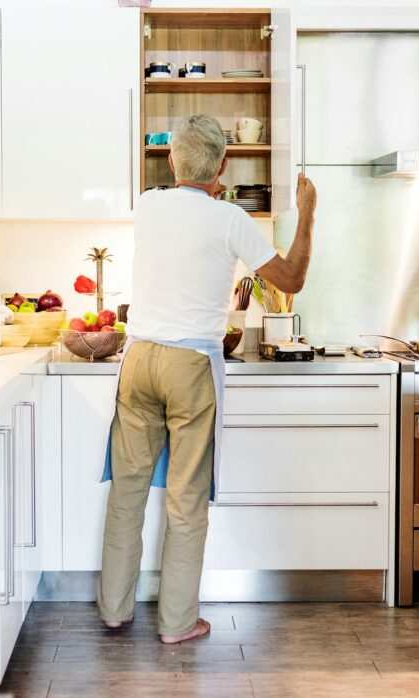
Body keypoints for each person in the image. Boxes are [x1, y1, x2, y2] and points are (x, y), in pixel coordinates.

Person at [96, 114, 317, 644]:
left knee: (127, 492)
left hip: (139, 358)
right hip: (191, 364)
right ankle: (175, 623)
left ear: (171, 159)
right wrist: (306, 214)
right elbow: (293, 279)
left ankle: (113, 610)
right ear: (224, 166)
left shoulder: (147, 205)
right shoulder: (230, 217)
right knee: (185, 498)